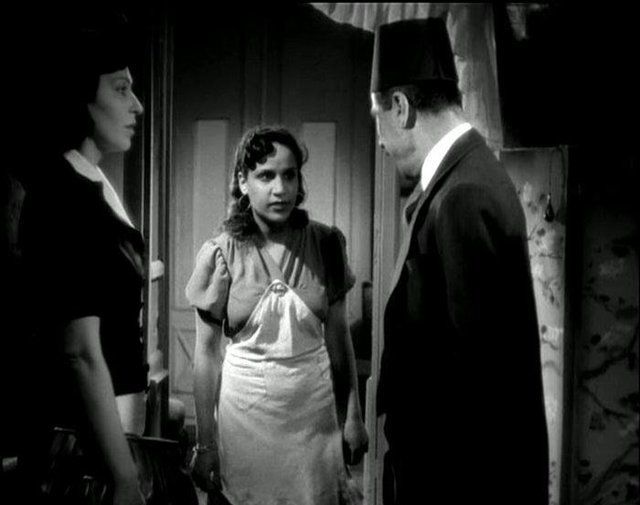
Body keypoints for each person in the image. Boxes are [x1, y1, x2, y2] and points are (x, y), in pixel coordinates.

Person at [370, 18, 549, 505]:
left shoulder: (462, 194)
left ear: (401, 107)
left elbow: (475, 388)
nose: (380, 140)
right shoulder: (468, 174)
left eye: (377, 117)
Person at [186, 125, 369, 505]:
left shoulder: (325, 244)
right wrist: (205, 443)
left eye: (289, 175)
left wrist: (353, 416)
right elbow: (205, 356)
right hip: (245, 420)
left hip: (312, 420)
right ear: (243, 181)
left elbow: (339, 341)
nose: (280, 189)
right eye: (266, 176)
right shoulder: (222, 253)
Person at [16, 9, 148, 505]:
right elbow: (79, 350)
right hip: (83, 457)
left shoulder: (92, 182)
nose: (137, 105)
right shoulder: (62, 191)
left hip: (110, 445)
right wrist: (125, 476)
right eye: (121, 89)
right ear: (82, 96)